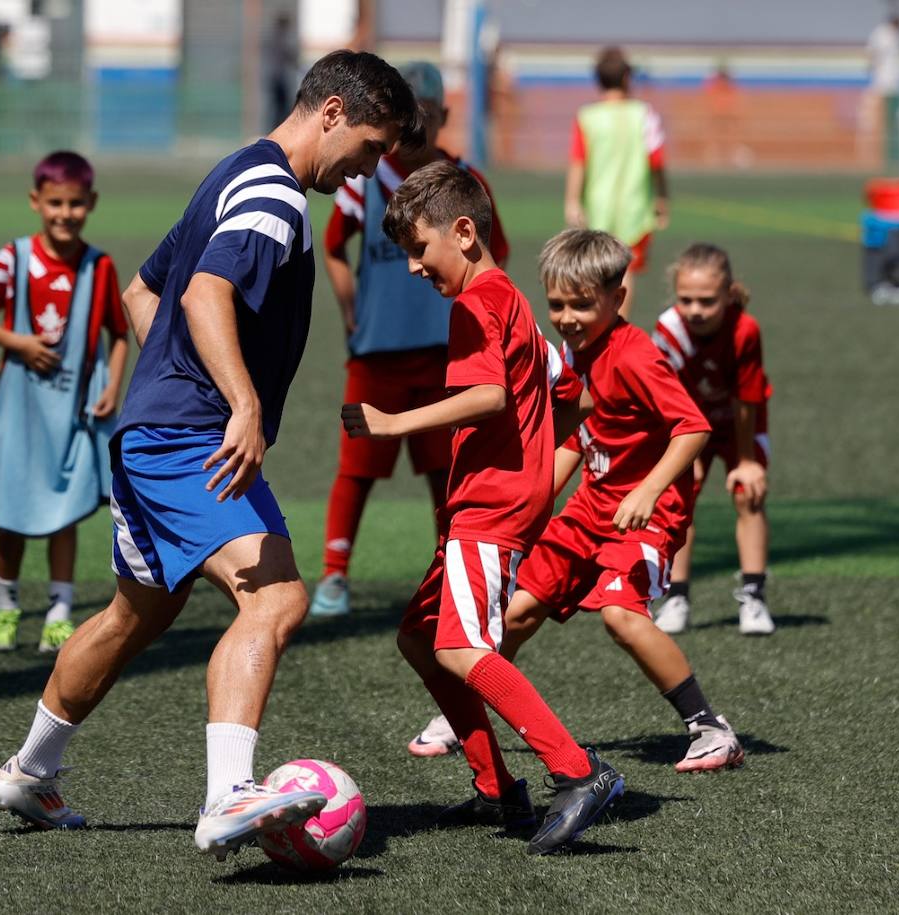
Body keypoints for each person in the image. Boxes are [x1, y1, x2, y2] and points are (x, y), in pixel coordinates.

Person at [0, 51, 423, 861]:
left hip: (155, 431)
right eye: (367, 146)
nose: (367, 168)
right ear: (331, 112)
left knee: (136, 612)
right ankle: (227, 795)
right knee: (279, 598)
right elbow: (202, 293)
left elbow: (140, 293)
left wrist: (168, 380)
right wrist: (239, 400)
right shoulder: (275, 194)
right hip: (188, 437)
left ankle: (30, 769)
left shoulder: (234, 172)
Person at [345, 161, 623, 856]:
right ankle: (498, 787)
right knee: (419, 636)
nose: (412, 266)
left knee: (463, 648)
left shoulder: (475, 303)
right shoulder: (512, 301)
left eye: (419, 248)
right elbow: (566, 390)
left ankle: (578, 769)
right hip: (500, 500)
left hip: (488, 506)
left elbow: (489, 396)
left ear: (463, 232)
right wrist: (546, 474)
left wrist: (390, 423)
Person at [489, 228, 745, 773]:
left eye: (582, 305)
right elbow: (580, 436)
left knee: (620, 615)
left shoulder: (635, 356)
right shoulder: (574, 350)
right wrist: (534, 498)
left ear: (617, 298)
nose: (567, 317)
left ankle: (709, 729)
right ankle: (470, 710)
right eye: (557, 305)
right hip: (592, 507)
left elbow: (693, 429)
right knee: (519, 608)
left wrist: (649, 491)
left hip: (647, 514)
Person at [313, 61, 510, 621]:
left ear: (445, 116)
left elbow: (499, 255)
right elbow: (332, 245)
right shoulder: (368, 178)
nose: (420, 126)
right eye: (411, 116)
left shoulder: (465, 183)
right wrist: (352, 310)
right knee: (357, 466)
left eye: (430, 114)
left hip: (444, 357)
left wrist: (473, 316)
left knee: (444, 469)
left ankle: (449, 568)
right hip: (376, 351)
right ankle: (334, 573)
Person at [0, 151, 129, 654]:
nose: (65, 213)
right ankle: (5, 606)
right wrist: (19, 343)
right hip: (19, 413)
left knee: (64, 513)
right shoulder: (13, 257)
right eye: (55, 203)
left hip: (72, 412)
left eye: (76, 204)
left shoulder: (99, 266)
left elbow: (119, 334)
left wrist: (113, 386)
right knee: (12, 513)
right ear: (36, 201)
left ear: (92, 203)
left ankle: (60, 611)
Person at [651, 244, 774, 637]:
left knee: (747, 493)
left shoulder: (744, 329)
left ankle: (754, 598)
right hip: (689, 421)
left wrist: (745, 460)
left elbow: (745, 400)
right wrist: (685, 447)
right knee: (681, 497)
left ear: (729, 294)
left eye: (707, 300)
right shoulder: (669, 330)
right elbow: (664, 396)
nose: (696, 310)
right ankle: (677, 597)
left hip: (741, 420)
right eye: (686, 299)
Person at [564, 46, 668, 315]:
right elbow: (657, 161)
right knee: (625, 270)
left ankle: (598, 323)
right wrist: (662, 197)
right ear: (626, 78)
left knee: (598, 268)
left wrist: (573, 201)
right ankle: (617, 326)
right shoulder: (645, 115)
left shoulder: (587, 117)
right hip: (634, 207)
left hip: (599, 207)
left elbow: (579, 162)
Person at [866, 14, 899, 168]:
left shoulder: (896, 36)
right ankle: (880, 153)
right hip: (883, 83)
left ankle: (894, 152)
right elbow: (872, 53)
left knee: (896, 120)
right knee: (882, 119)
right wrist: (871, 66)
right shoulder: (880, 33)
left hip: (896, 83)